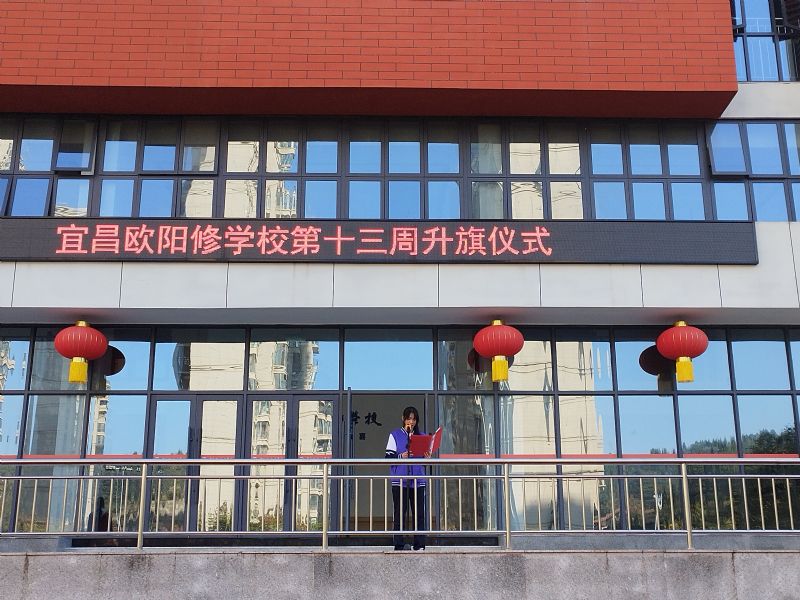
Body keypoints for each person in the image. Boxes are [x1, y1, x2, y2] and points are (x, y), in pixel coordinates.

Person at [385, 406, 430, 551]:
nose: (412, 421)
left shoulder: (421, 436)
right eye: (409, 418)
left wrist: (427, 457)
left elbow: (423, 460)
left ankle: (419, 544)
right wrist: (401, 456)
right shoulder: (395, 435)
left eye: (414, 419)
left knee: (419, 513)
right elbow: (388, 457)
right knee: (400, 513)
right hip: (400, 480)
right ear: (403, 419)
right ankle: (399, 544)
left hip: (418, 479)